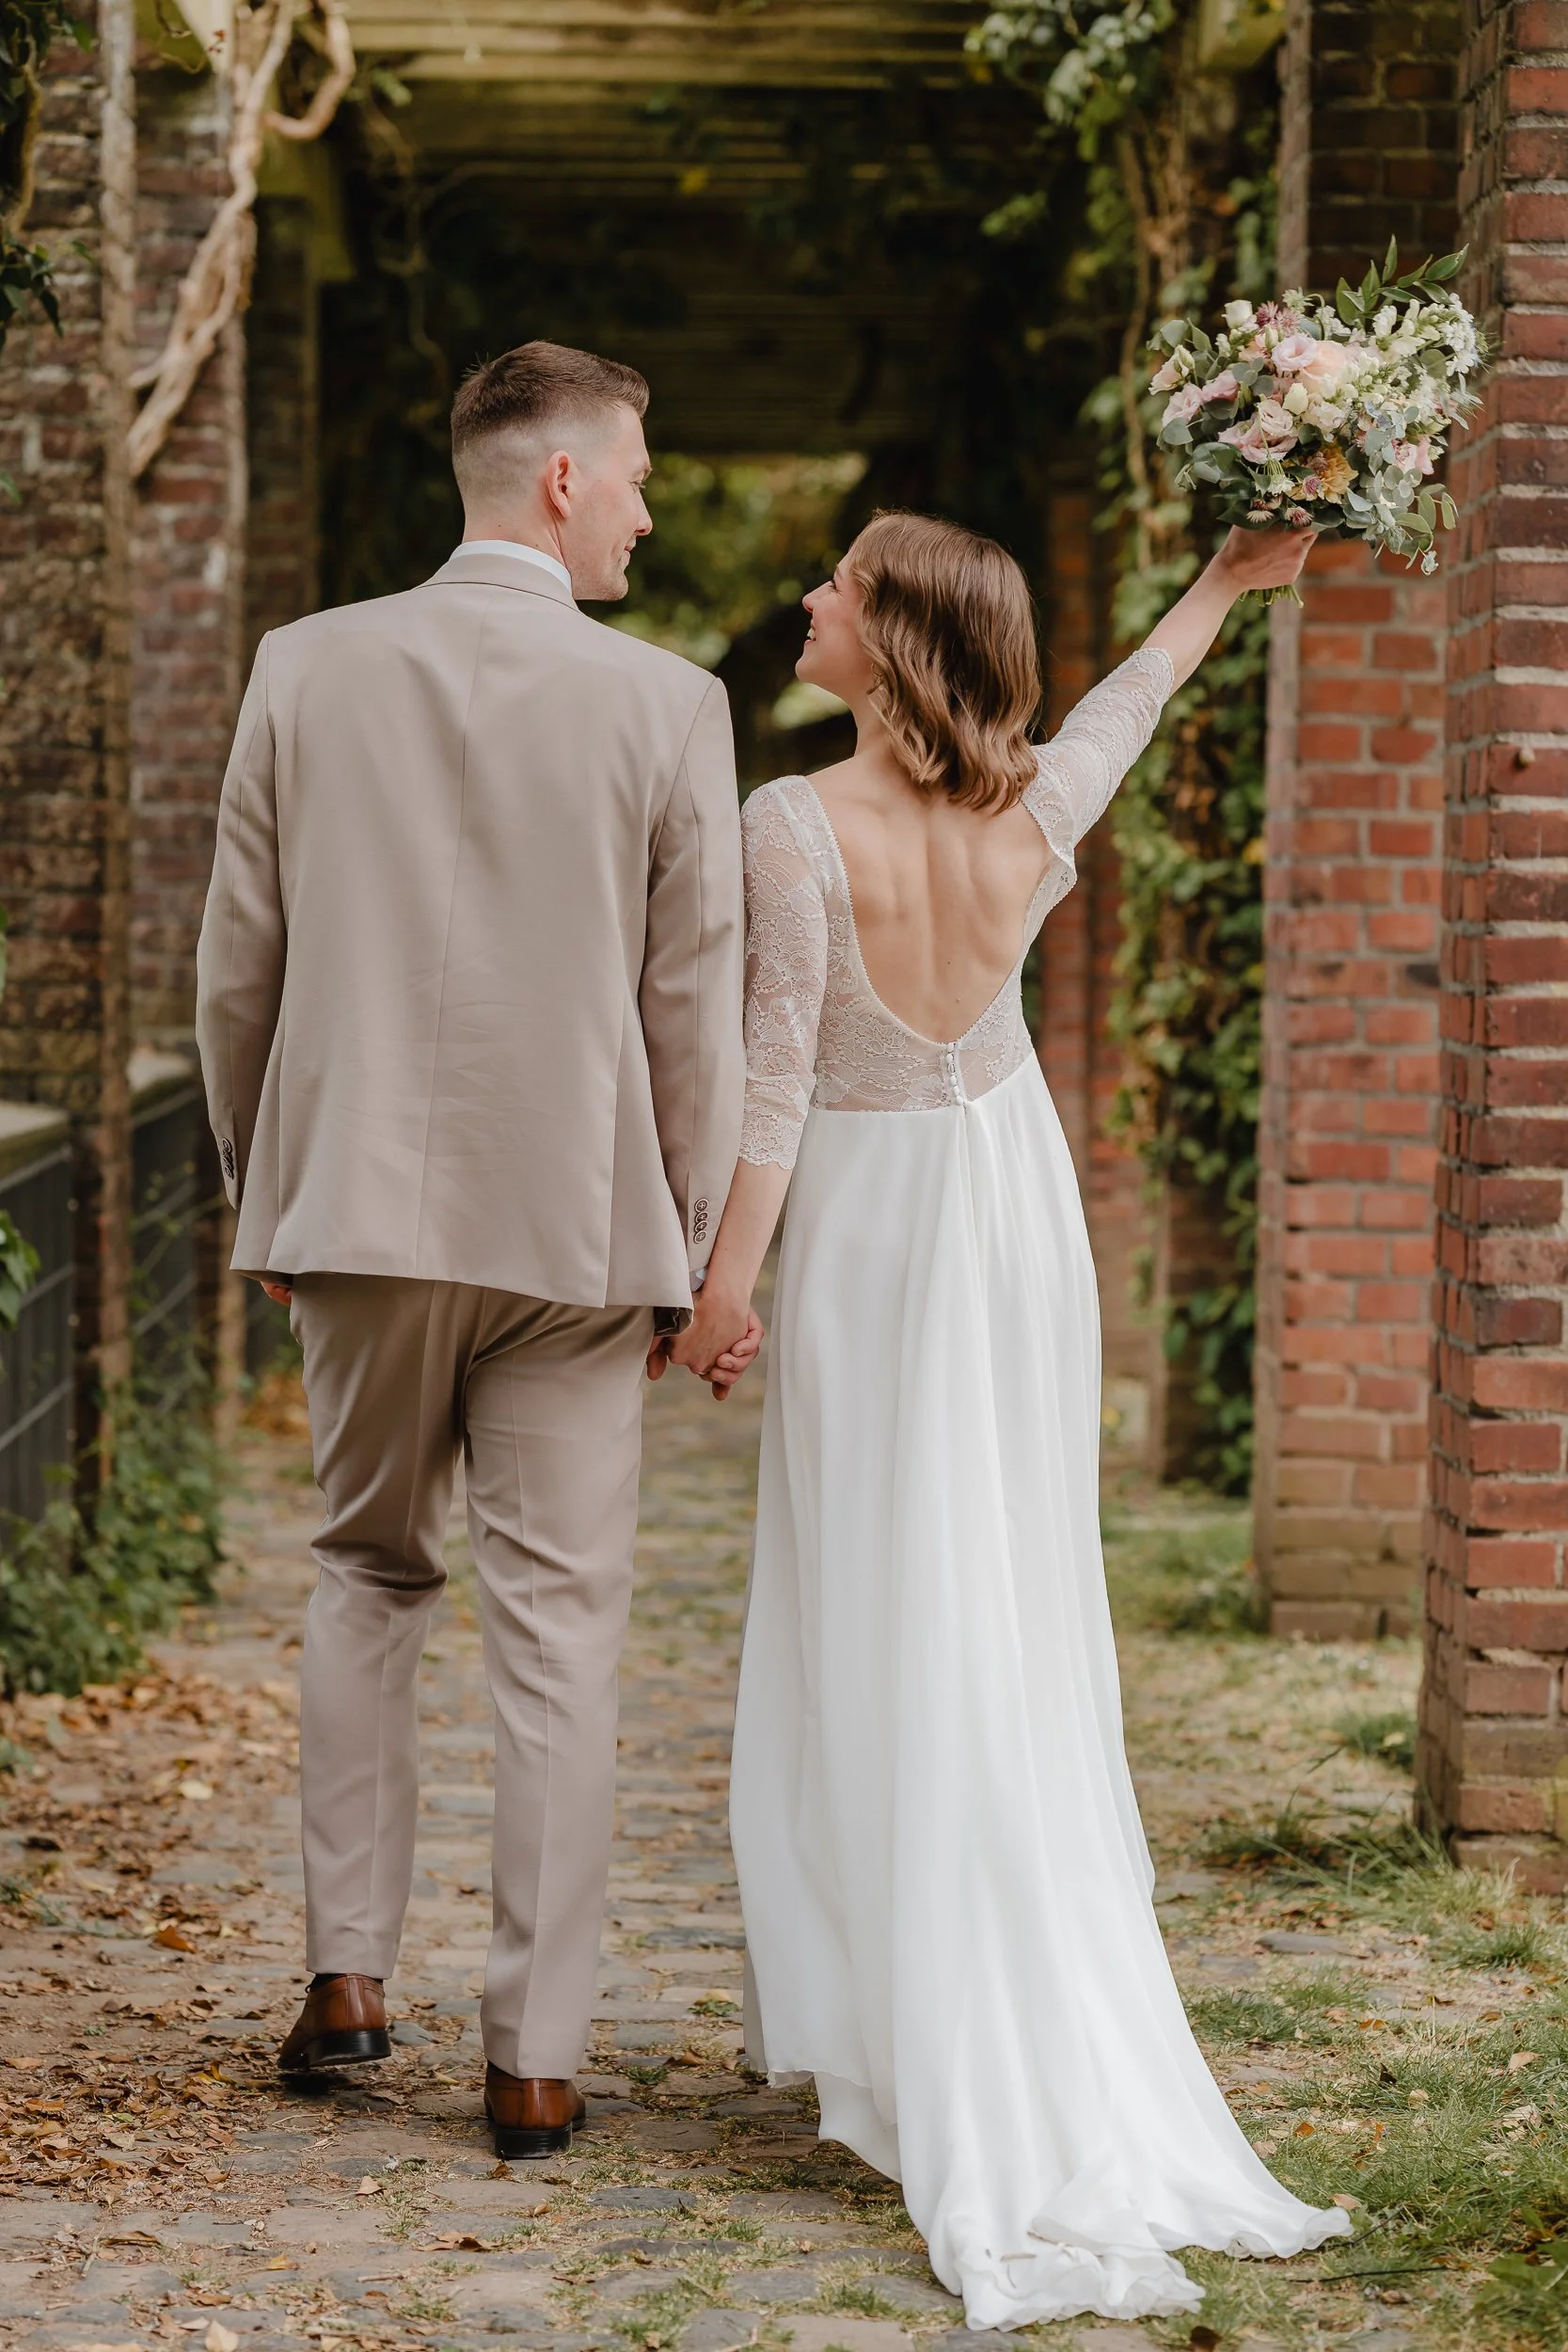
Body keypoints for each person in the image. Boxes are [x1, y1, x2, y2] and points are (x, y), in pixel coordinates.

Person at [673, 512, 1353, 2325]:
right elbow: (1133, 700)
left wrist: (722, 1285)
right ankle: (993, 1974)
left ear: (890, 642)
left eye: (836, 586)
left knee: (887, 1601)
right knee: (1005, 1597)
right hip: (1008, 1209)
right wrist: (1223, 582)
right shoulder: (1030, 812)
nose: (805, 599)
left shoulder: (791, 822)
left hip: (880, 1230)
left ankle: (926, 2017)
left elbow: (772, 1079)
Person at [195, 340, 758, 2160]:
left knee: (366, 1571)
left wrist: (260, 1186)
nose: (654, 513)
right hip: (577, 1233)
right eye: (644, 476)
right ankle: (535, 2059)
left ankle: (349, 1972)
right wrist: (685, 1239)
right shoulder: (669, 703)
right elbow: (696, 1005)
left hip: (351, 1205)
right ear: (564, 483)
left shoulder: (304, 666)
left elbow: (238, 972)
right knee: (562, 1638)